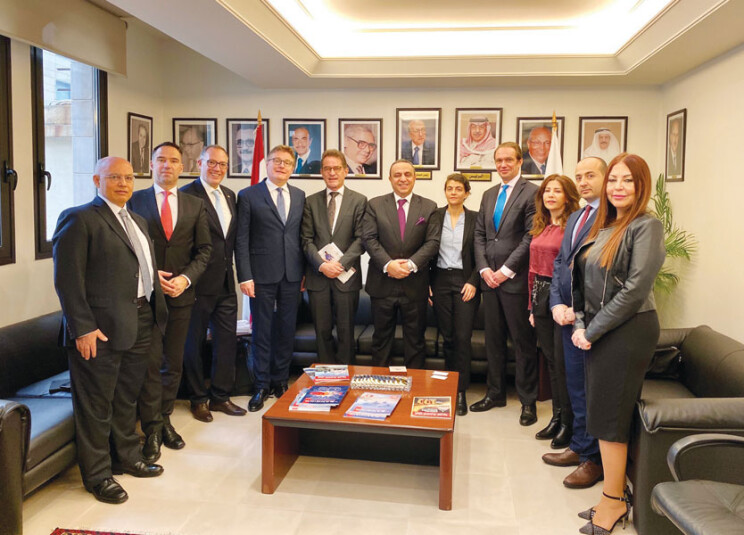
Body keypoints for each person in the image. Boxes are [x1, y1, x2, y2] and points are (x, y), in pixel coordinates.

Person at [52, 156, 167, 504]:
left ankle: (128, 457)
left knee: (126, 397)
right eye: (114, 177)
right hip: (98, 330)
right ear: (96, 180)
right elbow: (68, 280)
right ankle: (98, 475)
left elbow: (137, 268)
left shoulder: (138, 220)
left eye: (129, 178)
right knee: (96, 404)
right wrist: (82, 328)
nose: (123, 183)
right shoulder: (79, 218)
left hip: (139, 320)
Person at [571, 153, 665, 534]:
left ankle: (613, 503)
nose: (618, 187)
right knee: (603, 414)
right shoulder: (606, 225)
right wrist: (581, 322)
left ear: (641, 186)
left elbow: (634, 290)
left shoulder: (646, 226)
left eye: (627, 180)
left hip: (628, 330)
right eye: (613, 180)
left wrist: (591, 330)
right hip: (602, 328)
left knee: (610, 419)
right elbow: (583, 280)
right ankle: (612, 494)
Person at [129, 142, 212, 461]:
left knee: (172, 363)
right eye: (161, 160)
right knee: (150, 364)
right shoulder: (134, 200)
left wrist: (185, 279)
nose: (167, 165)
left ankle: (164, 420)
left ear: (182, 166)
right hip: (145, 298)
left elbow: (204, 250)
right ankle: (150, 428)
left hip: (180, 296)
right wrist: (152, 277)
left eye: (173, 160)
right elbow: (127, 249)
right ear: (151, 165)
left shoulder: (194, 205)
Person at [544, 157, 608, 490]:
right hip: (566, 316)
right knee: (575, 387)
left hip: (591, 319)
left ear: (606, 177)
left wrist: (577, 310)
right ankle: (580, 446)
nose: (582, 181)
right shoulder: (575, 217)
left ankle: (594, 459)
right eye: (578, 176)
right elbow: (561, 263)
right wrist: (556, 303)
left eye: (590, 175)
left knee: (591, 389)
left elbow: (602, 274)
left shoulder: (611, 217)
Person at [471, 142, 540, 426]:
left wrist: (506, 270)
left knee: (523, 344)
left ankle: (528, 402)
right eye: (498, 160)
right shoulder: (488, 194)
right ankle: (495, 393)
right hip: (490, 281)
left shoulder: (532, 192)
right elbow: (480, 235)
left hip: (515, 281)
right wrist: (484, 269)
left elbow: (531, 236)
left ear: (520, 161)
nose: (503, 165)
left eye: (508, 160)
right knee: (494, 341)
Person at [236, 145, 306, 411]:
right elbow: (241, 240)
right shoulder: (248, 195)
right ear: (266, 163)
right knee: (262, 331)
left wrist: (304, 273)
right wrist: (245, 275)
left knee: (286, 330)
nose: (281, 165)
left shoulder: (299, 195)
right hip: (261, 274)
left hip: (292, 274)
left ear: (293, 168)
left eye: (287, 162)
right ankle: (261, 385)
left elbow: (301, 237)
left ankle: (280, 381)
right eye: (276, 160)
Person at [181, 145, 246, 422]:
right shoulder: (186, 196)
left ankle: (220, 397)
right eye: (212, 163)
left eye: (222, 164)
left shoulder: (230, 195)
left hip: (226, 283)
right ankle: (198, 399)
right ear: (200, 163)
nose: (217, 168)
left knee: (226, 342)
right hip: (197, 284)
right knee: (193, 343)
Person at [362, 159, 439, 368]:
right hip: (382, 283)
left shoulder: (429, 207)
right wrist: (389, 265)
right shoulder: (375, 205)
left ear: (414, 178)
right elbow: (369, 238)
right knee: (381, 340)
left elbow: (433, 242)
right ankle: (379, 384)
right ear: (390, 179)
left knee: (415, 341)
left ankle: (415, 384)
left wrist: (410, 265)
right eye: (397, 175)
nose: (402, 179)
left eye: (407, 174)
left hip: (415, 284)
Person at [527, 174, 580, 449]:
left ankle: (568, 423)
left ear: (568, 197)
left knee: (563, 363)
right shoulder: (542, 225)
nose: (550, 195)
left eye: (557, 191)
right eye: (547, 191)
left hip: (562, 296)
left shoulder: (574, 226)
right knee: (550, 361)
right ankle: (557, 417)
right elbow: (532, 269)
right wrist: (531, 306)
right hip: (540, 294)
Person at [301, 149, 367, 364]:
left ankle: (346, 375)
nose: (332, 173)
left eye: (336, 168)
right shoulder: (310, 202)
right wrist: (322, 265)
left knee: (346, 332)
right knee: (322, 332)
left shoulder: (359, 201)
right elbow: (306, 239)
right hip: (318, 278)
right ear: (321, 172)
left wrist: (340, 264)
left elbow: (361, 239)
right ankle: (326, 376)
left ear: (346, 171)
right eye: (327, 168)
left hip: (346, 278)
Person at [428, 173, 479, 416]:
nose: (454, 192)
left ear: (466, 193)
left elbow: (482, 253)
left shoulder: (476, 218)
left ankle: (461, 391)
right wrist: (427, 283)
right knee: (447, 336)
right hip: (439, 279)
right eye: (450, 188)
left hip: (465, 280)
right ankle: (449, 385)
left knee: (462, 337)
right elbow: (426, 249)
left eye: (459, 189)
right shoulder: (435, 216)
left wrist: (474, 282)